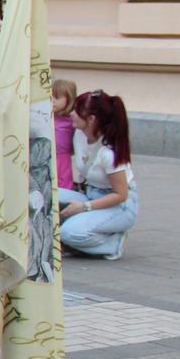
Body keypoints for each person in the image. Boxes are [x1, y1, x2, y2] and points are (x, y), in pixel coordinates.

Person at [61, 90, 137, 259]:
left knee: (69, 233)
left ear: (91, 119)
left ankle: (112, 243)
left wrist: (84, 207)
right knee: (45, 196)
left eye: (77, 111)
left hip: (119, 205)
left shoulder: (109, 154)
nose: (71, 114)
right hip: (91, 194)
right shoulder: (80, 134)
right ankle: (79, 242)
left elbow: (121, 194)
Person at [51, 79, 78, 191]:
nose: (52, 100)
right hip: (45, 158)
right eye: (50, 96)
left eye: (57, 97)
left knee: (62, 190)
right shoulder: (45, 117)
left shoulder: (72, 121)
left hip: (62, 162)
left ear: (69, 99)